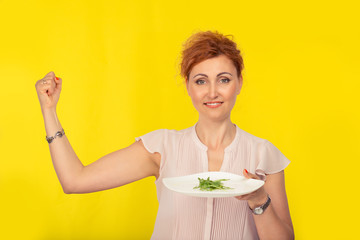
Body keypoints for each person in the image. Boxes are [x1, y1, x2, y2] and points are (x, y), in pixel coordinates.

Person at [35, 30, 294, 240]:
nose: (212, 92)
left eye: (224, 79)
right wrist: (49, 110)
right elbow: (74, 181)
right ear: (188, 87)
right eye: (201, 81)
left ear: (239, 82)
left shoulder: (263, 154)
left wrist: (260, 200)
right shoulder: (162, 147)